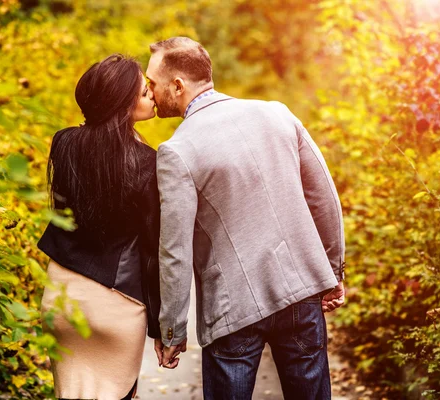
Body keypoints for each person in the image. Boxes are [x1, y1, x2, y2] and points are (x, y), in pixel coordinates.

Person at [146, 37, 346, 400]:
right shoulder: (277, 114)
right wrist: (332, 272)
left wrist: (172, 332)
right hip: (301, 291)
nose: (150, 92)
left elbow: (174, 250)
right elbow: (324, 199)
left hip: (231, 312)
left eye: (153, 83)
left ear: (177, 85)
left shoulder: (177, 151)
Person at [37, 54, 161, 400]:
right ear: (122, 104)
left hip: (61, 299)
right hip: (117, 304)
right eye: (142, 92)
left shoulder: (63, 143)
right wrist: (160, 325)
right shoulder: (149, 163)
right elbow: (152, 249)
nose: (151, 94)